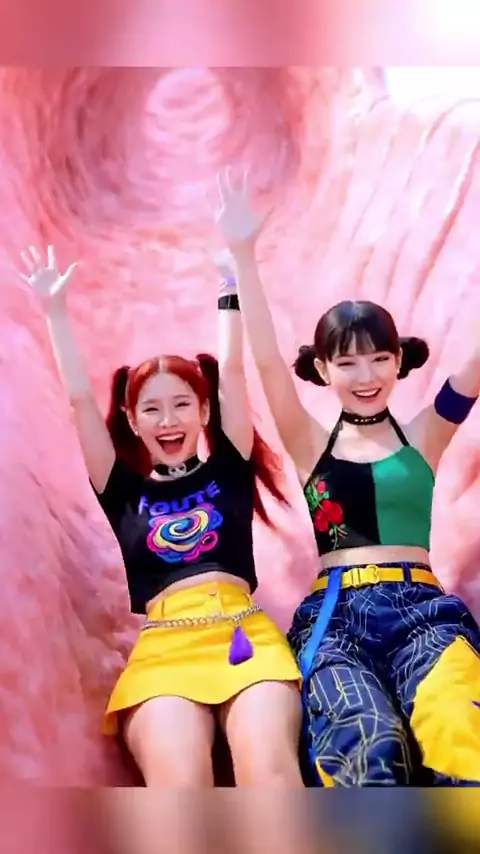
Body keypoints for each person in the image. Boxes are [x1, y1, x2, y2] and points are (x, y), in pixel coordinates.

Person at [213, 165, 480, 786]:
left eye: (379, 358)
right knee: (364, 744)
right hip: (337, 618)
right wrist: (244, 254)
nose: (366, 376)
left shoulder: (425, 434)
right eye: (348, 362)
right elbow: (265, 362)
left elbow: (474, 366)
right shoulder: (309, 443)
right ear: (323, 370)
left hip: (424, 611)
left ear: (398, 362)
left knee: (458, 727)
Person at [18, 244, 303, 788]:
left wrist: (229, 289)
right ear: (132, 419)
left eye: (181, 404)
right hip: (164, 650)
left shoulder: (229, 468)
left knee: (268, 770)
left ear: (203, 410)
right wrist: (54, 312)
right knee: (179, 785)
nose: (168, 420)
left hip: (245, 636)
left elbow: (233, 373)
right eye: (152, 408)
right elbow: (80, 401)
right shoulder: (122, 489)